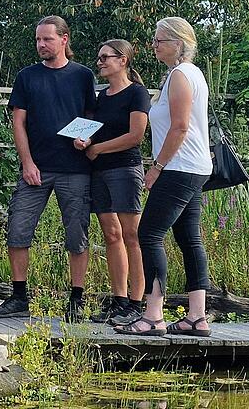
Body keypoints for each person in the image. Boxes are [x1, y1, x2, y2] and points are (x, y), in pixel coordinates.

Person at [0, 15, 96, 322]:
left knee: (77, 234)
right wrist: (27, 162)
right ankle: (19, 296)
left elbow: (91, 117)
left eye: (47, 39)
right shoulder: (27, 76)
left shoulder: (83, 76)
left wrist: (86, 139)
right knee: (18, 228)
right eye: (37, 39)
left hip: (75, 169)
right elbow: (18, 122)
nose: (41, 44)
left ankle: (77, 298)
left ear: (64, 39)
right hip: (36, 169)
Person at [115, 17, 213, 337]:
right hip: (194, 167)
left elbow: (180, 127)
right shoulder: (189, 74)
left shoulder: (181, 76)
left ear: (178, 43)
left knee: (148, 235)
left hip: (179, 167)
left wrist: (156, 166)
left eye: (159, 40)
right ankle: (196, 317)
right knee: (188, 238)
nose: (154, 46)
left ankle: (153, 315)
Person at [72, 39, 149, 324]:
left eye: (106, 57)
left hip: (125, 169)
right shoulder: (101, 97)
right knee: (111, 235)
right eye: (99, 57)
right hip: (99, 171)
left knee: (132, 235)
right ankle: (119, 300)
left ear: (123, 61)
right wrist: (86, 141)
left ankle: (137, 301)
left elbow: (135, 136)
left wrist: (98, 148)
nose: (100, 62)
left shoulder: (137, 93)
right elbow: (96, 131)